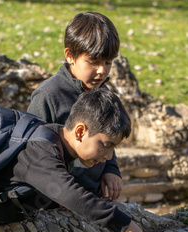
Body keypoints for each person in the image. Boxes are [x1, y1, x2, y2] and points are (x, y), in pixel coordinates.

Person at [0, 88, 146, 232]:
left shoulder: (56, 140)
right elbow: (71, 195)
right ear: (80, 132)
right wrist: (125, 224)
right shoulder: (41, 150)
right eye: (106, 145)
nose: (109, 156)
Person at [27, 12, 123, 203]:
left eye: (108, 62)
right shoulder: (47, 96)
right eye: (94, 61)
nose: (102, 70)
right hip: (55, 200)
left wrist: (111, 169)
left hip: (93, 196)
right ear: (70, 56)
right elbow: (34, 154)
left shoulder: (104, 94)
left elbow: (108, 139)